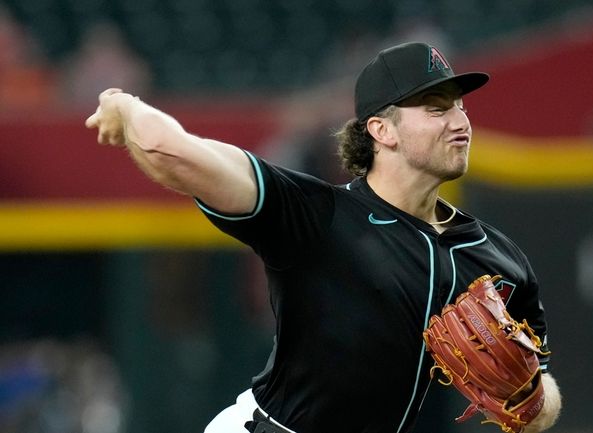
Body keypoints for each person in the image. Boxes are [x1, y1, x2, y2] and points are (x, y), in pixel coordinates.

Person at [85, 42, 561, 433]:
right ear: (381, 130)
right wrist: (125, 107)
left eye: (460, 106)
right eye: (436, 109)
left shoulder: (498, 259)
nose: (460, 121)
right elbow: (172, 152)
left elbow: (542, 403)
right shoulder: (318, 216)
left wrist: (528, 395)